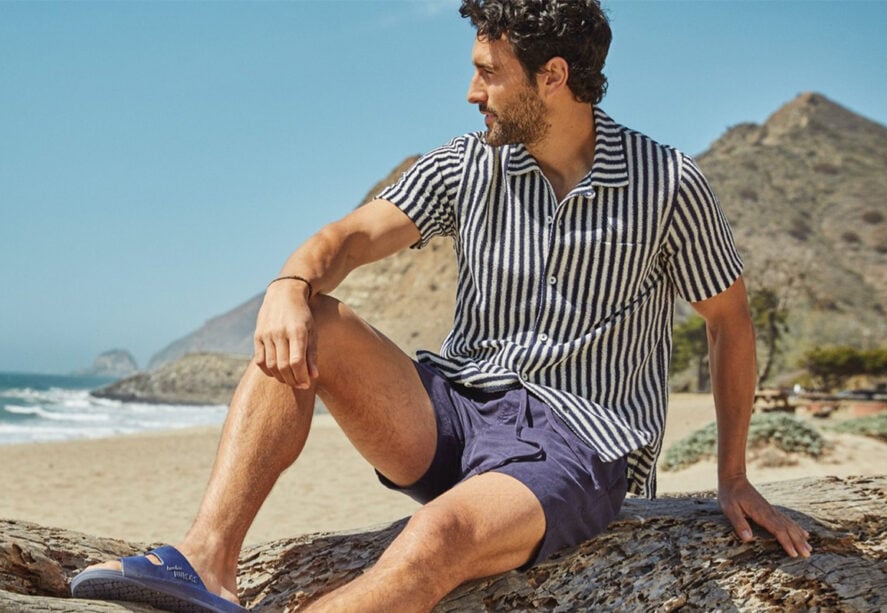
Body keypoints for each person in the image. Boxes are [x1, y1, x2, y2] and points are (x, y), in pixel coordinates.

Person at [70, 1, 812, 611]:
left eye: (488, 73)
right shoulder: (470, 163)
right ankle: (206, 561)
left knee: (434, 539)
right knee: (311, 323)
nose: (472, 91)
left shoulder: (667, 183)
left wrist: (734, 475)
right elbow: (351, 235)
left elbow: (729, 322)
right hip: (457, 411)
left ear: (552, 77)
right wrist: (289, 288)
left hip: (579, 445)